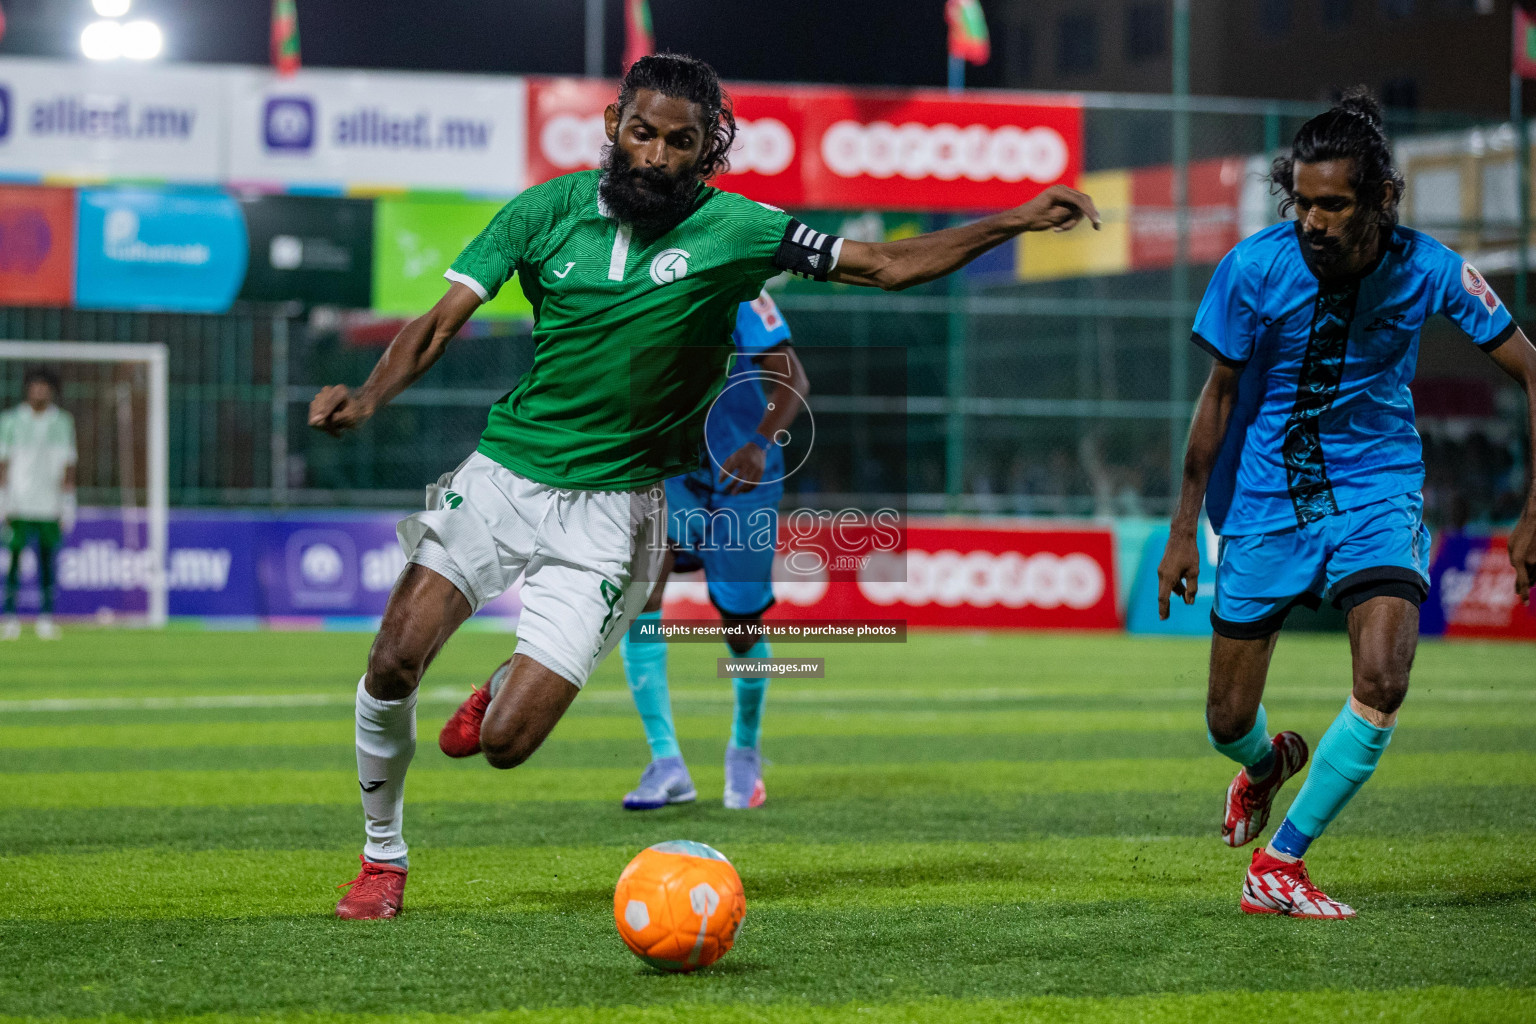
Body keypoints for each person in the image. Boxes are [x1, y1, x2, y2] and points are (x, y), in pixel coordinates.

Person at [310, 52, 1098, 921]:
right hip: (504, 475)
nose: (654, 155)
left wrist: (1016, 219)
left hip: (614, 512)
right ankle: (382, 857)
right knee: (391, 661)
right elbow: (439, 324)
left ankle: (505, 690)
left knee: (503, 746)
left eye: (678, 143)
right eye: (641, 132)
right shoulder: (543, 211)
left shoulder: (740, 231)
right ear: (614, 126)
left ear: (705, 152)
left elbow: (884, 265)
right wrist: (369, 397)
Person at [1156, 90, 1536, 919]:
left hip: (1379, 489)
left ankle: (1281, 861)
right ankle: (1263, 766)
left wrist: (1534, 508)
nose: (1314, 222)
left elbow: (1532, 369)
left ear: (1381, 201)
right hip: (1266, 500)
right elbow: (1216, 400)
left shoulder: (1432, 268)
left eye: (1334, 204)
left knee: (1384, 678)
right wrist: (1183, 530)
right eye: (1303, 203)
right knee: (1226, 718)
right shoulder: (1253, 267)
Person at [441, 292, 808, 813]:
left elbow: (792, 379)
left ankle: (744, 749)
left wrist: (760, 442)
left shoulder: (744, 289)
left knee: (741, 624)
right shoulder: (646, 284)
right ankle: (666, 762)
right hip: (672, 469)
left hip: (745, 475)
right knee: (641, 596)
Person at [1, 368, 77, 642]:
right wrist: (2, 499)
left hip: (49, 504)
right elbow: (3, 462)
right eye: (36, 387)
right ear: (27, 389)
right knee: (14, 561)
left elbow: (69, 465)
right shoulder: (10, 421)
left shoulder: (63, 422)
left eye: (45, 387)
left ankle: (46, 618)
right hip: (19, 503)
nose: (40, 392)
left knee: (47, 561)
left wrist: (68, 502)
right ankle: (9, 617)